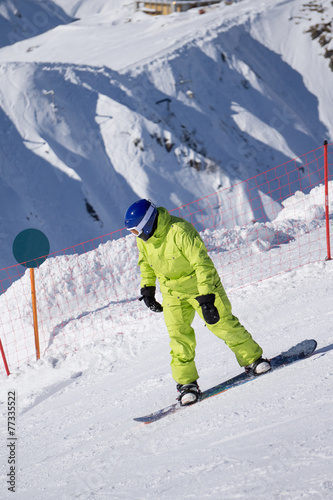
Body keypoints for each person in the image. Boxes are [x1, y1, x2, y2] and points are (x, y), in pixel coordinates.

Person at [125, 199, 271, 406]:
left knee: (223, 324)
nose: (135, 236)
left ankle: (253, 360)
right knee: (179, 338)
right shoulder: (145, 240)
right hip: (173, 293)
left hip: (201, 287)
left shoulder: (180, 231)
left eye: (135, 231)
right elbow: (146, 263)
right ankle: (187, 385)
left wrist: (206, 299)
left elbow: (202, 264)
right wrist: (147, 289)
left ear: (147, 223)